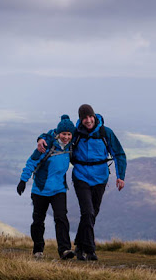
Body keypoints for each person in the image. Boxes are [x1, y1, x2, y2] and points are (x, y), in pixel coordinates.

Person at [37, 104, 126, 261]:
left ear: (94, 116)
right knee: (88, 212)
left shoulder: (105, 133)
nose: (88, 120)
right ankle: (90, 250)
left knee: (92, 214)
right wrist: (41, 139)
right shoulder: (76, 133)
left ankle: (79, 246)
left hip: (100, 178)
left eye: (90, 117)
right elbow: (55, 134)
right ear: (80, 119)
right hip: (81, 177)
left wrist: (120, 176)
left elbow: (119, 154)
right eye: (84, 118)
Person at [17, 115, 77, 260]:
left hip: (59, 189)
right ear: (58, 133)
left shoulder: (71, 147)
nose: (66, 137)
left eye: (69, 134)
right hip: (40, 189)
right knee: (38, 220)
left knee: (61, 218)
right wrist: (23, 180)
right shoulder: (46, 145)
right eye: (64, 134)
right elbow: (31, 162)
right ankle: (38, 250)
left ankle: (65, 250)